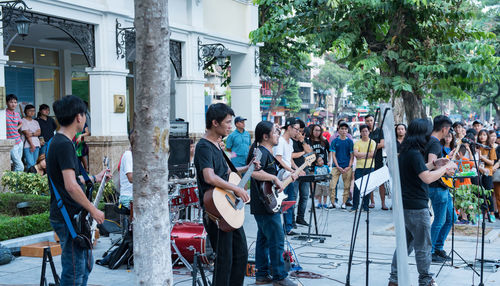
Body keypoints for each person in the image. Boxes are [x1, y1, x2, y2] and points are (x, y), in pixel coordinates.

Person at [47, 95, 108, 285]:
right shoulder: (64, 145)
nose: (85, 119)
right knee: (74, 271)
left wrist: (93, 178)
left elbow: (70, 179)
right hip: (68, 216)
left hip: (70, 214)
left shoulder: (58, 142)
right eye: (85, 114)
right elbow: (71, 186)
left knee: (84, 265)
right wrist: (93, 209)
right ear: (78, 117)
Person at [193, 103, 257, 286]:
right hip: (216, 211)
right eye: (228, 122)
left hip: (228, 207)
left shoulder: (217, 146)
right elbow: (209, 176)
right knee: (224, 260)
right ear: (215, 122)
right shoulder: (204, 146)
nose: (231, 125)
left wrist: (248, 167)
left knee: (241, 254)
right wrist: (236, 189)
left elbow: (227, 172)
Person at [388, 118, 457, 286]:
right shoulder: (414, 153)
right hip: (417, 207)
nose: (429, 136)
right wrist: (444, 169)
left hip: (405, 204)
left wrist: (434, 163)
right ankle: (425, 280)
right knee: (423, 246)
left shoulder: (407, 151)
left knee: (405, 245)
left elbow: (419, 168)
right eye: (427, 132)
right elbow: (426, 178)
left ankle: (394, 279)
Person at [247, 121, 296, 286]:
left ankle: (262, 274)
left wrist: (285, 176)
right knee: (276, 239)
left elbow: (270, 177)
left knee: (264, 240)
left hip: (266, 203)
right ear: (265, 136)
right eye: (275, 132)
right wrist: (274, 178)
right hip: (264, 204)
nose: (278, 135)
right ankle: (279, 276)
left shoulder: (267, 153)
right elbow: (253, 172)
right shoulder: (259, 152)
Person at [425, 115, 456, 263]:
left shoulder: (433, 142)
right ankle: (430, 252)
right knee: (440, 219)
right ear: (444, 129)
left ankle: (438, 247)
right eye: (449, 129)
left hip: (443, 186)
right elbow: (431, 165)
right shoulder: (434, 143)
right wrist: (446, 169)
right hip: (437, 187)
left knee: (451, 218)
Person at [274, 117, 302, 236]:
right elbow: (278, 159)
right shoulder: (280, 141)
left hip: (290, 175)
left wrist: (297, 169)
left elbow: (289, 159)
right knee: (284, 202)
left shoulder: (290, 142)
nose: (298, 132)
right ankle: (285, 227)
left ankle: (288, 227)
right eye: (296, 129)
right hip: (282, 176)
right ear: (289, 127)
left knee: (290, 201)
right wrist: (291, 170)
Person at [329, 121, 354, 209]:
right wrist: (338, 166)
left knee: (346, 186)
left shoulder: (350, 142)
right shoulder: (335, 141)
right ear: (338, 130)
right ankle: (332, 202)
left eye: (345, 129)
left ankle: (344, 203)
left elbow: (352, 156)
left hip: (347, 166)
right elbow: (333, 155)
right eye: (342, 129)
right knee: (332, 185)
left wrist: (349, 166)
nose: (344, 131)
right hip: (336, 166)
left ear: (347, 131)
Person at [365, 114, 388, 210]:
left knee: (381, 182)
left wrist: (371, 147)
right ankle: (372, 202)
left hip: (378, 159)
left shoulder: (379, 131)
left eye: (371, 120)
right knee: (370, 181)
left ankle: (383, 203)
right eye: (367, 121)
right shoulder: (365, 132)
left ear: (374, 121)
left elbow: (382, 144)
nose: (369, 122)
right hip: (368, 160)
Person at [291, 119, 312, 226]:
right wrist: (303, 152)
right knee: (293, 196)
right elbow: (291, 156)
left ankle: (301, 218)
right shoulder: (289, 141)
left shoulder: (304, 140)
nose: (300, 133)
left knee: (304, 196)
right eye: (298, 130)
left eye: (301, 131)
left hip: (305, 170)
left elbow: (310, 152)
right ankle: (292, 220)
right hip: (294, 171)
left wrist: (302, 141)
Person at [352, 124, 376, 212]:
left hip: (370, 167)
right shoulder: (357, 143)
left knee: (367, 187)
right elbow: (356, 154)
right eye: (363, 131)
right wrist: (367, 155)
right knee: (357, 187)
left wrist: (361, 155)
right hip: (359, 167)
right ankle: (355, 206)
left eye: (366, 131)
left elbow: (372, 154)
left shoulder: (372, 142)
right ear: (360, 132)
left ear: (369, 132)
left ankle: (365, 206)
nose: (365, 133)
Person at [477, 129, 496, 223]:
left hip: (488, 172)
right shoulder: (477, 147)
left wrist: (482, 158)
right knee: (479, 193)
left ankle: (491, 213)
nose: (482, 137)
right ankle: (481, 212)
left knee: (488, 193)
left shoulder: (490, 148)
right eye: (480, 135)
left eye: (484, 135)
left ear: (487, 136)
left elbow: (492, 162)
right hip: (478, 172)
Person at [6, 94, 24, 171]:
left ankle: (14, 182)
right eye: (11, 102)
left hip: (19, 142)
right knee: (20, 166)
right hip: (11, 143)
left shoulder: (17, 114)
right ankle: (15, 183)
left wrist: (16, 128)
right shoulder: (4, 114)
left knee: (16, 165)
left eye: (15, 102)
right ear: (6, 103)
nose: (13, 104)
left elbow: (21, 123)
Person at [21, 105, 42, 171]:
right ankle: (28, 179)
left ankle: (31, 179)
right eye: (30, 111)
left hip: (37, 144)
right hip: (28, 145)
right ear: (25, 111)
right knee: (30, 164)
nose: (32, 112)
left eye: (33, 111)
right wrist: (32, 145)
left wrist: (32, 134)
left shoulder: (35, 122)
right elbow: (27, 134)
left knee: (34, 163)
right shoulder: (23, 121)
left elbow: (39, 132)